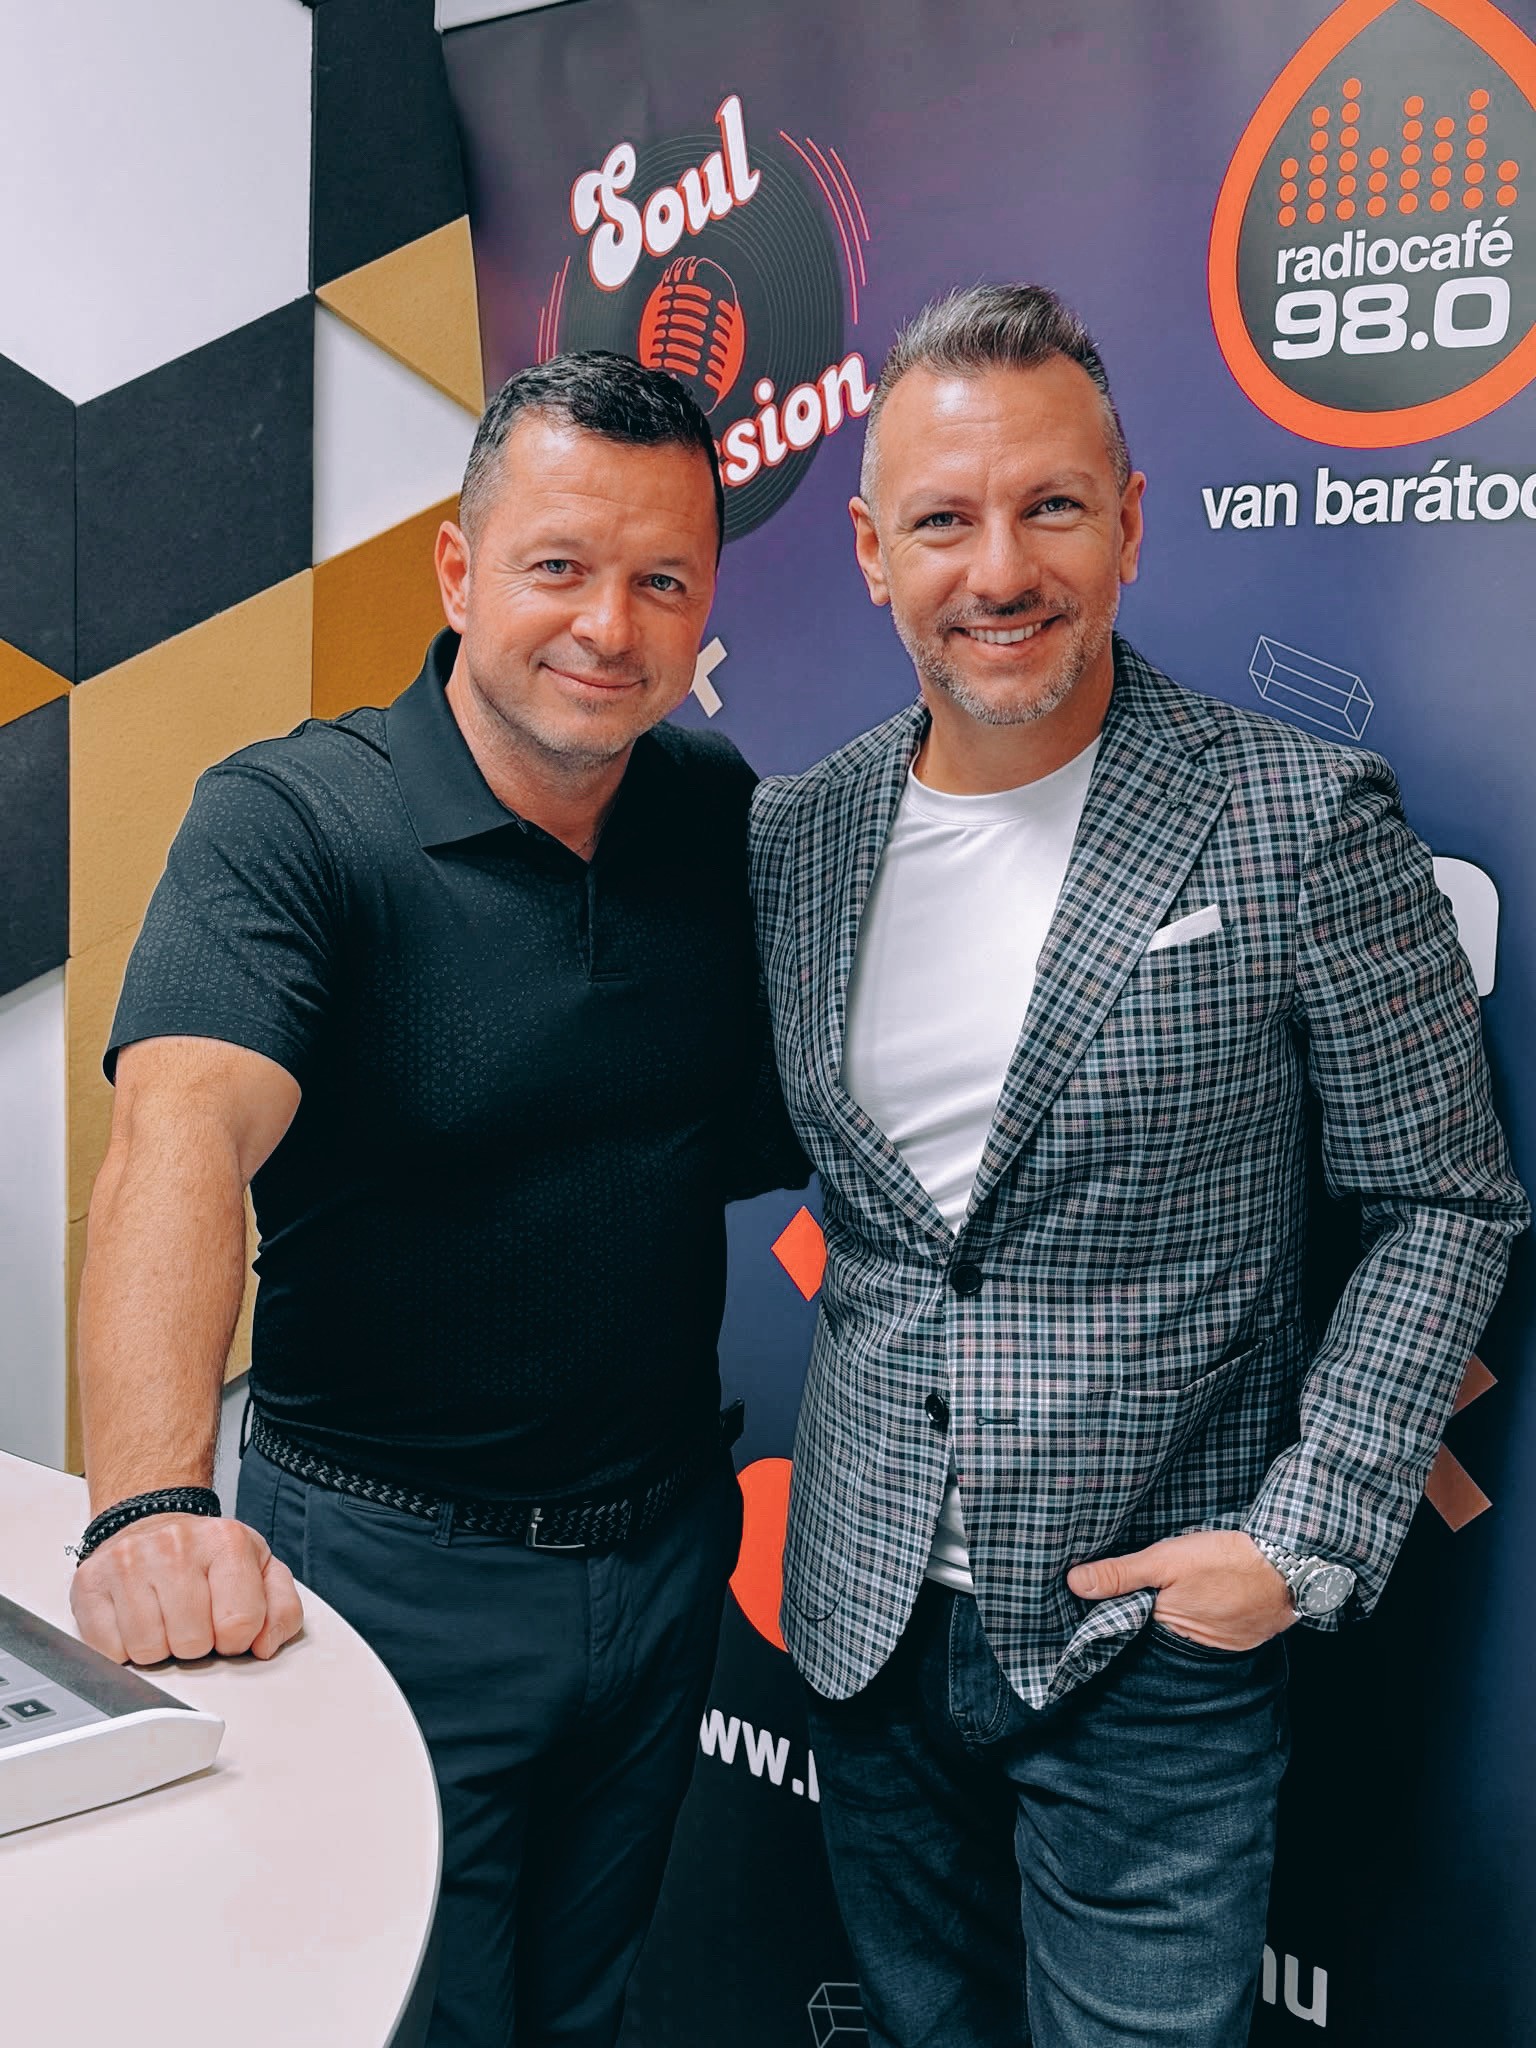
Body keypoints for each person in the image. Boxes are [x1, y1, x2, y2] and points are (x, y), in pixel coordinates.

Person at [748, 284, 1528, 2048]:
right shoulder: (798, 832)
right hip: (864, 1623)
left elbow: (1445, 1201)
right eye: (943, 521)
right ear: (870, 553)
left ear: (1131, 522)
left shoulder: (1299, 816)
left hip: (1147, 1654)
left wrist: (1302, 1539)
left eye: (1052, 506)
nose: (1000, 568)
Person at [70, 349, 803, 2048]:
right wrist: (148, 1506)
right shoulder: (291, 821)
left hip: (662, 1556)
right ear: (459, 572)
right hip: (383, 1575)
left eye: (662, 581)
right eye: (559, 565)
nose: (608, 626)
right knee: (410, 2019)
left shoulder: (716, 811)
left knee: (583, 2014)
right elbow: (180, 1131)